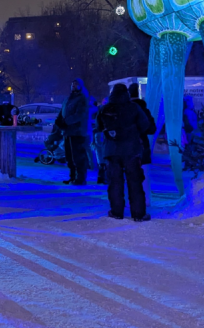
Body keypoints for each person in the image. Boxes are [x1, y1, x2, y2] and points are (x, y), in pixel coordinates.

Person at [96, 83, 150, 222]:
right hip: (131, 150)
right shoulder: (134, 107)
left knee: (115, 183)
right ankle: (138, 214)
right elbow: (145, 125)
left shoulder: (104, 109)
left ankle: (116, 212)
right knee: (135, 182)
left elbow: (99, 127)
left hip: (112, 151)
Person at [56, 78, 90, 186]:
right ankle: (72, 176)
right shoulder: (68, 99)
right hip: (68, 132)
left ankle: (80, 178)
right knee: (69, 156)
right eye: (72, 85)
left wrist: (67, 121)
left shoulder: (82, 99)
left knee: (78, 156)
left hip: (77, 132)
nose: (73, 86)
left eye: (75, 84)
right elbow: (63, 111)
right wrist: (59, 120)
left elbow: (80, 115)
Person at [128, 83, 156, 188]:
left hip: (128, 147)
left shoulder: (124, 110)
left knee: (129, 175)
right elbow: (152, 129)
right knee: (144, 174)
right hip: (143, 145)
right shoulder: (145, 110)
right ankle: (145, 199)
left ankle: (129, 200)